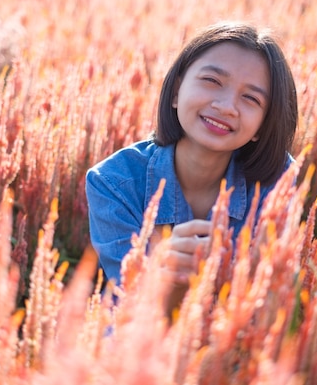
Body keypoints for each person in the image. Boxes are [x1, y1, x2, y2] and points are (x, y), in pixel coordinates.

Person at [85, 21, 298, 314]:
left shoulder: (278, 182)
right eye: (212, 81)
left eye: (250, 98)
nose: (226, 106)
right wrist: (162, 276)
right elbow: (128, 303)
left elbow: (266, 303)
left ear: (264, 125)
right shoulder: (114, 182)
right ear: (175, 92)